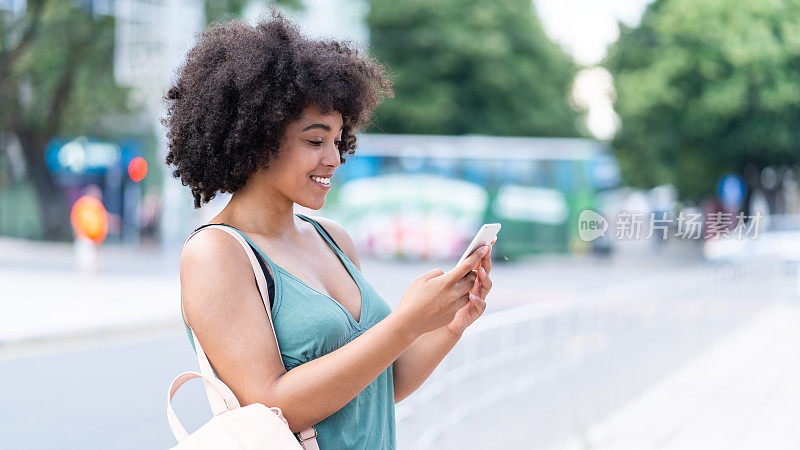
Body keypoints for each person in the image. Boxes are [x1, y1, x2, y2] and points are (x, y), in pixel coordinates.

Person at [162, 11, 495, 449]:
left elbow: (377, 385)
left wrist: (446, 324)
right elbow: (269, 406)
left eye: (338, 140)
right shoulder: (216, 253)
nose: (334, 158)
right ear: (257, 137)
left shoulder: (333, 239)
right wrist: (404, 323)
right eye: (316, 141)